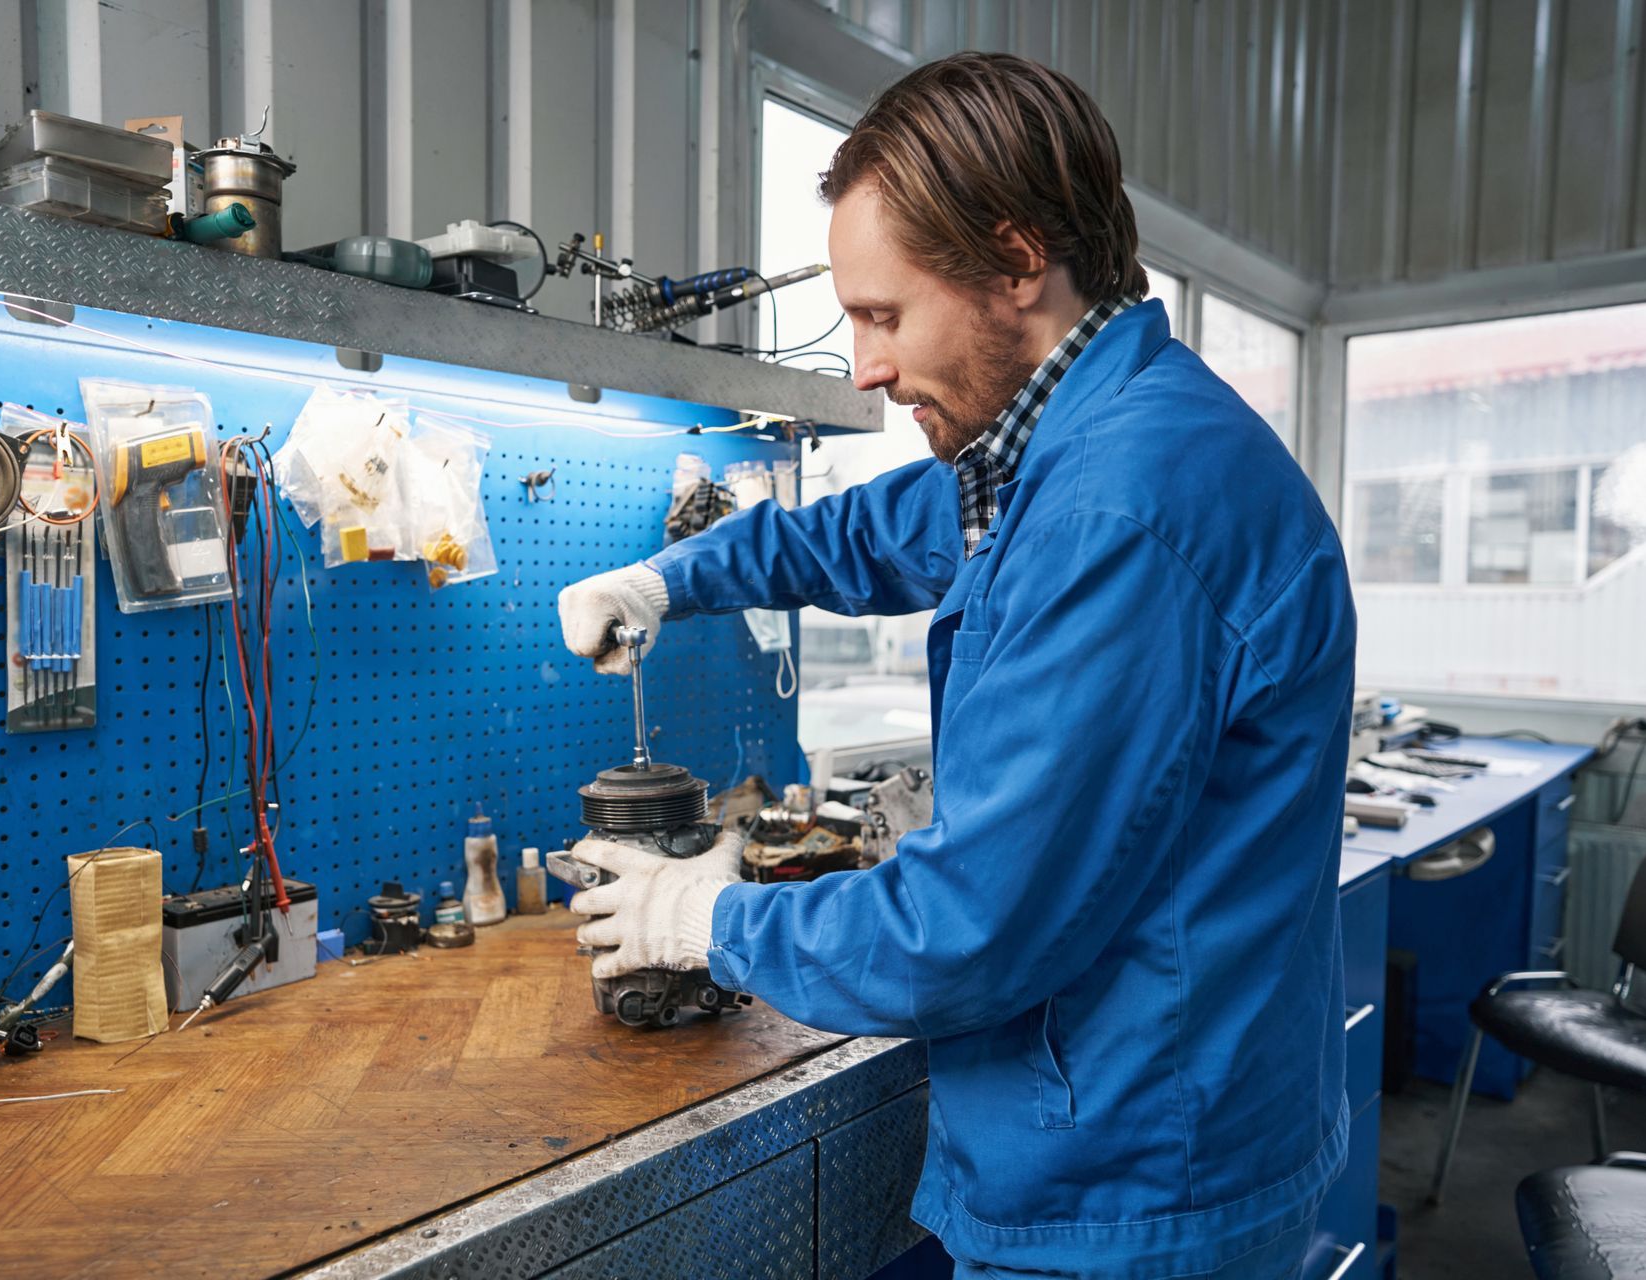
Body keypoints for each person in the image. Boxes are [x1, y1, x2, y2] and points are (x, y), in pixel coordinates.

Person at [557, 52, 1356, 1280]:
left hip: (1133, 1188)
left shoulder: (1118, 512)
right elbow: (875, 530)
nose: (866, 368)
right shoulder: (1082, 443)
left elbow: (971, 926)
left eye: (882, 314)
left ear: (1018, 260)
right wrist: (669, 577)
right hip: (1163, 1131)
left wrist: (706, 917)